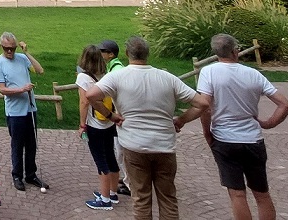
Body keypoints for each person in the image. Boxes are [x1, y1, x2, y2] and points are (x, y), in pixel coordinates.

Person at [86, 36, 206, 220]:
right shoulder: (167, 78)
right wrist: (181, 120)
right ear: (148, 54)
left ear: (127, 54)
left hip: (134, 146)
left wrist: (111, 116)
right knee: (168, 198)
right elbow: (202, 103)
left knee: (141, 199)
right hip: (164, 146)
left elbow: (91, 95)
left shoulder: (118, 76)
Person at [188, 33, 288, 220]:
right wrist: (268, 123)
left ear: (216, 51)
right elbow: (285, 105)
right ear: (235, 51)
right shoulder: (254, 74)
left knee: (237, 193)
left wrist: (207, 132)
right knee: (262, 193)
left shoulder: (209, 72)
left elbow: (205, 107)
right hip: (253, 139)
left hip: (225, 139)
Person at [0, 31, 48, 192]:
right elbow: (2, 90)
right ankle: (17, 175)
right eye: (6, 48)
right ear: (1, 47)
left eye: (12, 48)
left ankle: (31, 174)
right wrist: (22, 89)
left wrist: (26, 53)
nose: (9, 52)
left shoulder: (22, 58)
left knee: (32, 144)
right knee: (17, 145)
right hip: (14, 112)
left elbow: (40, 70)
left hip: (30, 109)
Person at [77, 45, 121, 210]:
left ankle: (104, 199)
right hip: (108, 122)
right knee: (110, 156)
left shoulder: (83, 77)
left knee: (100, 160)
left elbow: (84, 102)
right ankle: (112, 192)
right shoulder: (107, 74)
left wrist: (82, 124)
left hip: (94, 124)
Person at [100, 39, 132, 198]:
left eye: (102, 51)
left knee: (121, 151)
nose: (100, 54)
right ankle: (126, 179)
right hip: (120, 114)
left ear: (110, 54)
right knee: (119, 150)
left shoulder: (116, 69)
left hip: (121, 115)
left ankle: (130, 184)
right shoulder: (114, 66)